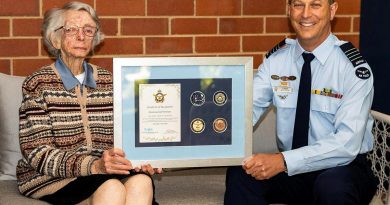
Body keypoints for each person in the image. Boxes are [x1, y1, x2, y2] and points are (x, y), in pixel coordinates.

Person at [224, 0, 378, 204]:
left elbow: (346, 144)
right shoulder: (275, 61)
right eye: (298, 5)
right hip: (292, 170)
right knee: (241, 174)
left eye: (315, 5)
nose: (305, 14)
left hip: (342, 167)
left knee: (332, 186)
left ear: (332, 10)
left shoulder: (353, 69)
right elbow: (244, 112)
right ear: (289, 10)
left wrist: (283, 161)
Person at [16, 2, 161, 205]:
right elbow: (37, 152)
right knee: (111, 188)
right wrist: (95, 166)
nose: (81, 36)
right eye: (71, 29)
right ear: (55, 39)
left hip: (103, 172)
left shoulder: (109, 81)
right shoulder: (38, 84)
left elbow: (128, 137)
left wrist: (143, 157)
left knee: (141, 182)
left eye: (88, 30)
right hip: (52, 177)